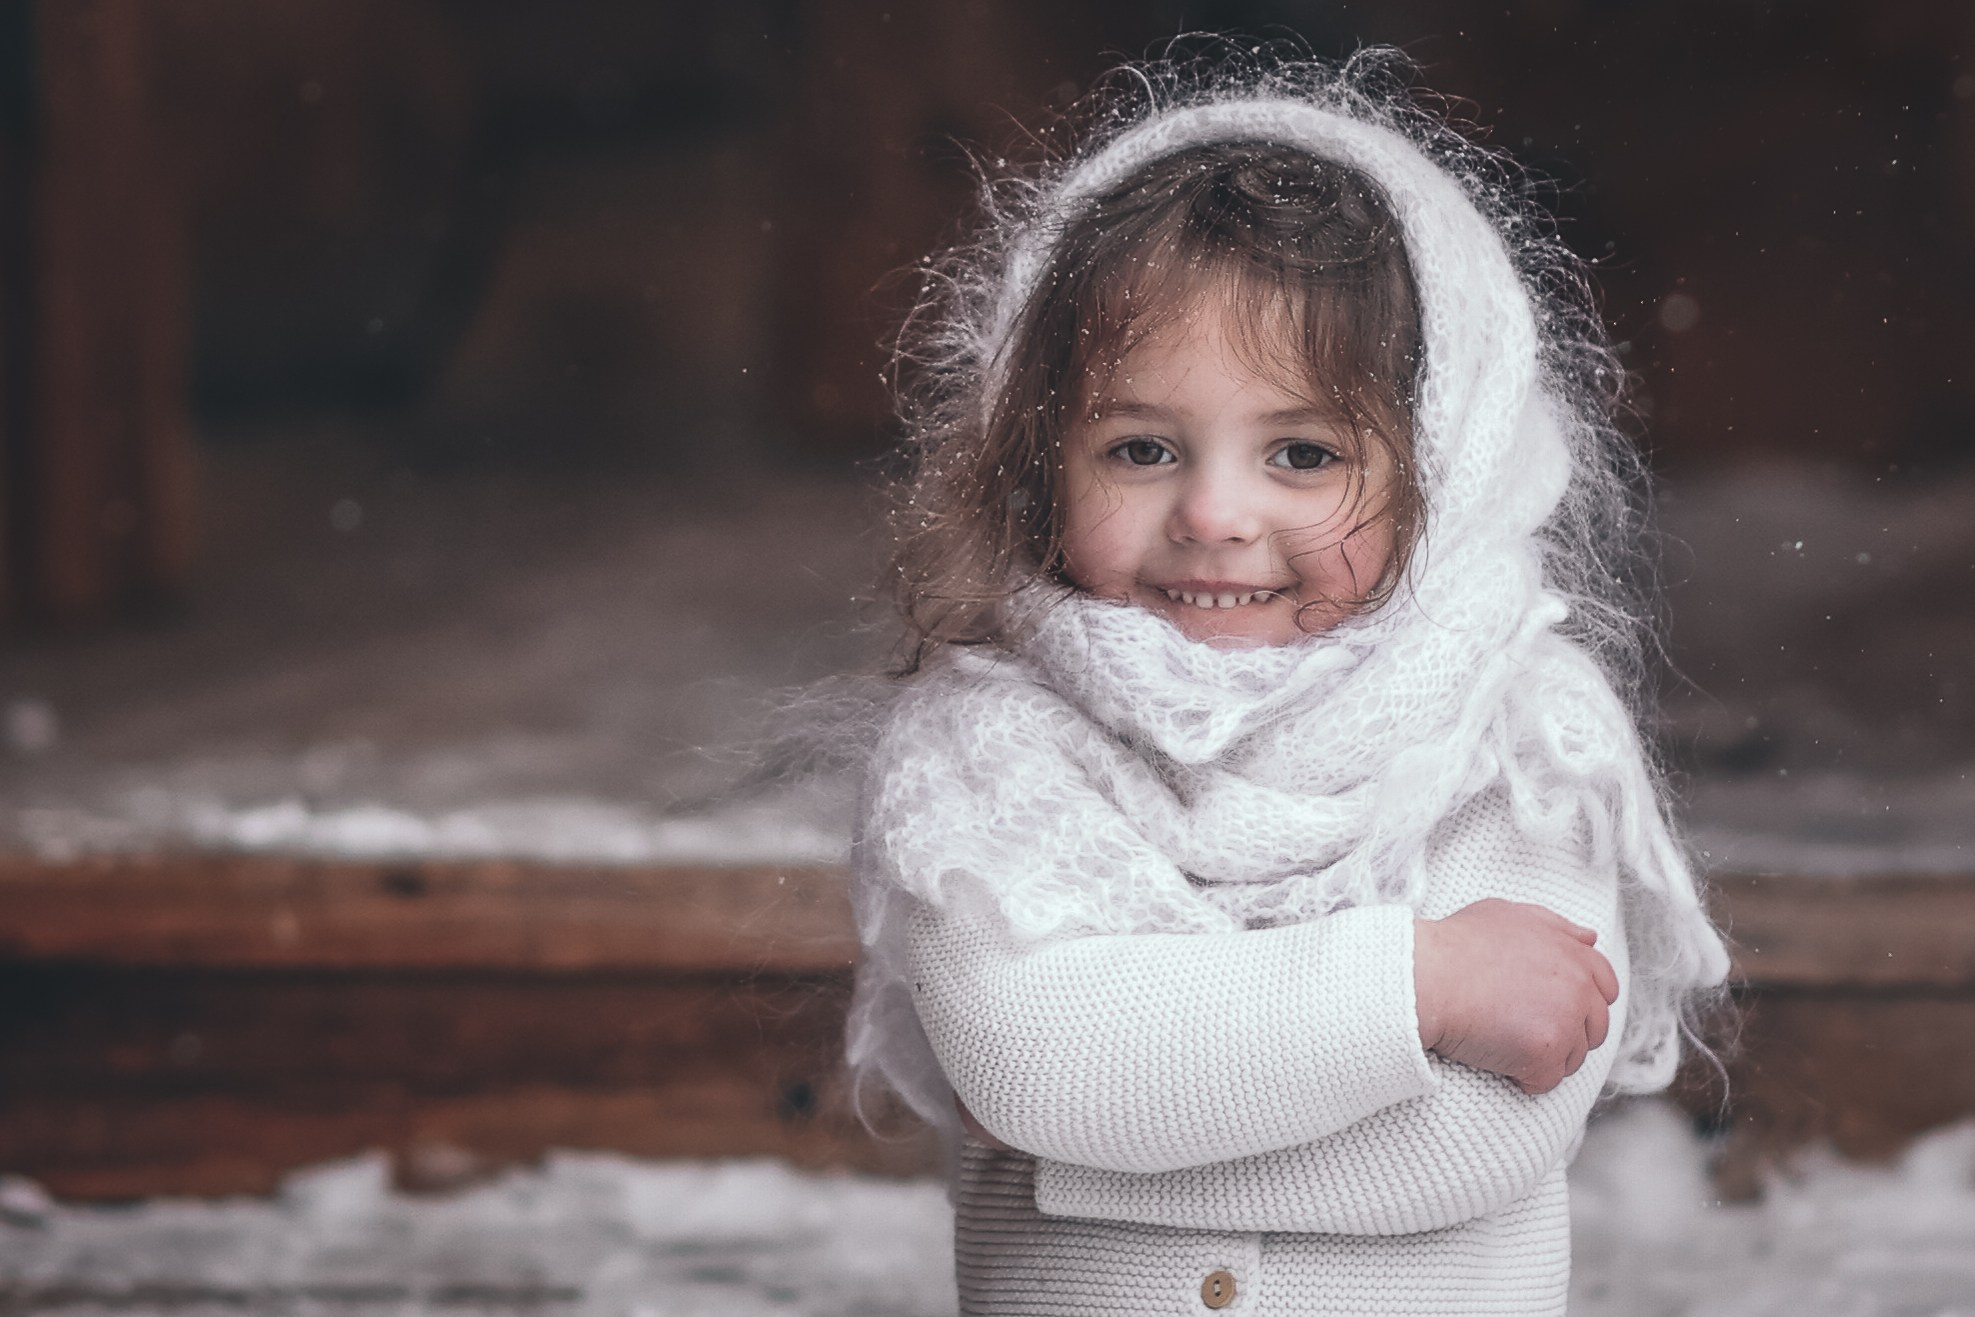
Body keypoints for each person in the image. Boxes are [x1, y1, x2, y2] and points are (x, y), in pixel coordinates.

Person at [844, 48, 1730, 1316]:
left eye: (1302, 453)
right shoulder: (984, 750)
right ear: (1037, 461)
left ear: (1442, 465)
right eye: (1140, 447)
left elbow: (1476, 1146)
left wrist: (1106, 1131)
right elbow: (1036, 1068)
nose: (1212, 512)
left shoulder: (1521, 733)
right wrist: (1415, 987)